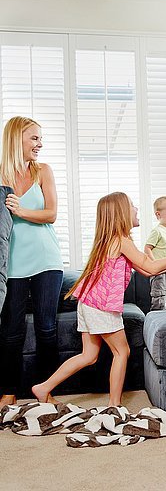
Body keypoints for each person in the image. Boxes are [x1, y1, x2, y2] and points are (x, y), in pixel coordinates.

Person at [32, 192, 166, 407]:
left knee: (89, 356)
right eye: (132, 205)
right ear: (121, 213)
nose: (136, 209)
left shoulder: (114, 241)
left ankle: (43, 388)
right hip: (101, 307)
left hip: (88, 303)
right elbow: (152, 266)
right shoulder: (120, 240)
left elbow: (148, 271)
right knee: (121, 351)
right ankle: (114, 406)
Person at [0, 116, 64, 410]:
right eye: (34, 139)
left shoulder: (43, 171)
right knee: (11, 329)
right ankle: (9, 391)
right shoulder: (1, 174)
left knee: (46, 328)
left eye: (41, 138)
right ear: (17, 140)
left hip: (46, 260)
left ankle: (45, 389)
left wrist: (21, 210)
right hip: (12, 263)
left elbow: (51, 214)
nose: (40, 144)